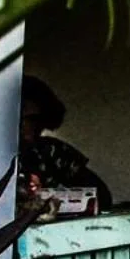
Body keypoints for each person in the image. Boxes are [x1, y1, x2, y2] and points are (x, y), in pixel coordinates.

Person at [18, 76, 111, 209]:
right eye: (30, 119)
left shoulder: (50, 151)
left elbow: (100, 195)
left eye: (37, 120)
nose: (34, 127)